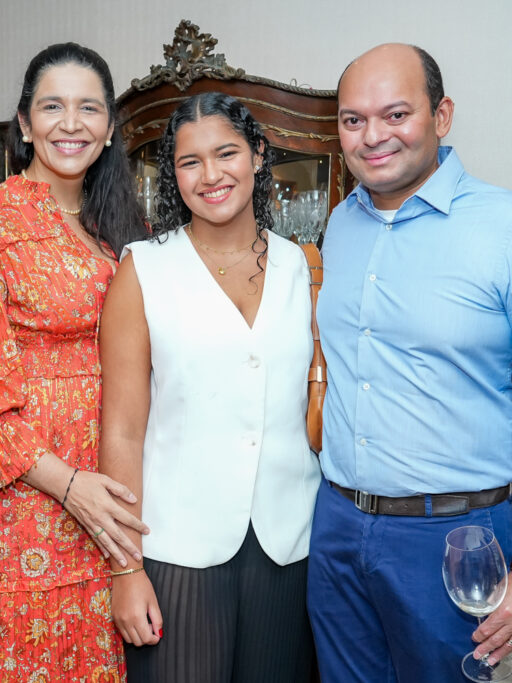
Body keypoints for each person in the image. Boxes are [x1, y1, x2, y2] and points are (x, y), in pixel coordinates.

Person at [307, 43, 512, 683]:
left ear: (441, 116)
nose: (373, 136)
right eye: (354, 120)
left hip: (453, 539)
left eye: (396, 114)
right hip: (336, 526)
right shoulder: (340, 225)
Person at [0, 42, 148, 681]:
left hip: (110, 493)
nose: (71, 123)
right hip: (29, 505)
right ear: (24, 123)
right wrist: (69, 486)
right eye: (52, 107)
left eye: (89, 108)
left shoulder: (113, 226)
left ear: (109, 127)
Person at [98, 92, 319, 683]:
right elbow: (122, 430)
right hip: (177, 547)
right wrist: (125, 569)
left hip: (289, 544)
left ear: (258, 155)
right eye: (190, 161)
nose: (211, 175)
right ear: (173, 174)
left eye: (226, 153)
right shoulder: (144, 269)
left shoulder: (305, 267)